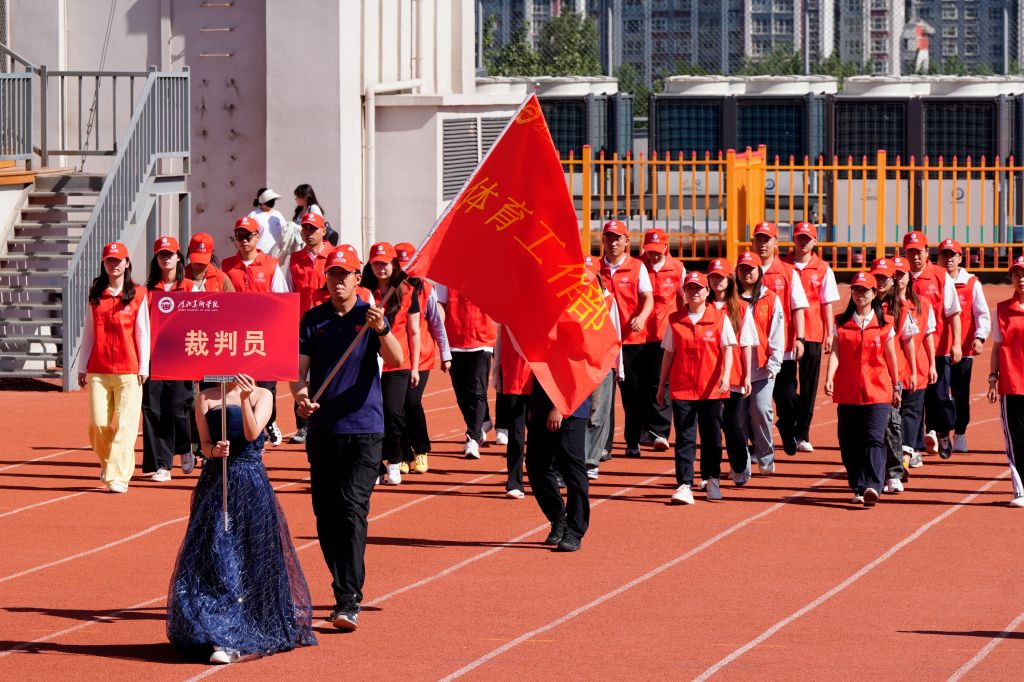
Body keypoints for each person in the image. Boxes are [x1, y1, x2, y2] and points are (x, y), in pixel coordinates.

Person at [167, 374, 317, 664]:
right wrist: (214, 451)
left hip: (249, 483)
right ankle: (219, 635)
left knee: (250, 555)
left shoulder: (263, 395)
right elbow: (204, 445)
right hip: (215, 483)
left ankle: (242, 628)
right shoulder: (205, 397)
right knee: (216, 554)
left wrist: (246, 399)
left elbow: (251, 433)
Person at [291, 246, 403, 630]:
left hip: (365, 429)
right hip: (324, 431)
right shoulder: (313, 319)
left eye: (344, 274)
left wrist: (382, 328)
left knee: (352, 510)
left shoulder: (370, 317)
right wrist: (301, 398)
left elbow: (397, 359)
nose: (337, 280)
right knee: (326, 515)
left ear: (358, 278)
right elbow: (298, 374)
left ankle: (347, 597)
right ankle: (342, 586)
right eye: (332, 273)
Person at [657, 271, 737, 504]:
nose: (694, 292)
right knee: (685, 437)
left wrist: (726, 375)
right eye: (689, 288)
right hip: (682, 387)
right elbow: (669, 353)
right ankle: (684, 484)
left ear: (707, 291)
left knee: (712, 437)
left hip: (711, 388)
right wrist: (661, 385)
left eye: (698, 288)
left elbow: (728, 347)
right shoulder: (675, 320)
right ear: (684, 291)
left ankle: (712, 479)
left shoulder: (720, 317)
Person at [825, 271, 902, 507]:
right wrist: (829, 377)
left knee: (875, 438)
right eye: (856, 290)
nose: (860, 294)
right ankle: (858, 485)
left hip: (877, 390)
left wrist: (896, 385)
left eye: (865, 290)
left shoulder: (885, 324)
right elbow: (836, 352)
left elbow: (891, 357)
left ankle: (872, 485)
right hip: (848, 390)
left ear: (874, 293)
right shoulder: (841, 322)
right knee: (849, 441)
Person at [78, 242, 149, 494]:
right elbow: (89, 333)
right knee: (97, 424)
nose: (114, 265)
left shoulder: (138, 294)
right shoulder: (96, 295)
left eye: (118, 260)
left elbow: (142, 333)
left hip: (129, 370)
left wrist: (143, 366)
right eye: (110, 260)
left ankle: (118, 476)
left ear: (127, 263)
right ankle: (109, 462)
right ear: (104, 263)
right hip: (98, 370)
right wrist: (82, 365)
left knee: (126, 426)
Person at [222, 215, 290, 446]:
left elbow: (282, 301)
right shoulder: (227, 266)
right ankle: (242, 427)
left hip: (264, 336)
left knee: (267, 385)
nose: (244, 240)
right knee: (238, 383)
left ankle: (268, 421)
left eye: (248, 235)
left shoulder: (271, 265)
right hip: (235, 337)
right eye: (239, 235)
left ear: (257, 236)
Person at [362, 242, 420, 485]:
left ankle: (395, 462)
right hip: (369, 363)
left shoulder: (407, 291)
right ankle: (375, 465)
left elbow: (414, 331)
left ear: (394, 264)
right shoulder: (364, 293)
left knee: (393, 412)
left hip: (398, 363)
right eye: (376, 264)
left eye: (385, 263)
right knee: (370, 415)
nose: (381, 268)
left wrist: (415, 367)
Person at [751, 221, 808, 457]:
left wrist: (800, 338)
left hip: (781, 349)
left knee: (787, 398)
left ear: (776, 243)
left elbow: (798, 307)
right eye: (758, 239)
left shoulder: (787, 272)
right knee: (752, 401)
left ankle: (786, 427)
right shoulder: (745, 269)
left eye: (767, 239)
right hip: (752, 349)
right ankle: (757, 445)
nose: (762, 244)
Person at [903, 230, 962, 459]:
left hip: (938, 349)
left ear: (927, 252)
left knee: (939, 397)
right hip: (910, 351)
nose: (915, 257)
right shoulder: (901, 277)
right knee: (914, 399)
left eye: (919, 252)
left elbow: (953, 312)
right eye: (910, 252)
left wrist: (956, 344)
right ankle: (915, 446)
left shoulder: (940, 276)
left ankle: (943, 431)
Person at [782, 221, 840, 452]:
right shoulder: (782, 265)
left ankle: (802, 434)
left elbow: (826, 303)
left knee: (809, 386)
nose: (803, 242)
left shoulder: (823, 268)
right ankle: (790, 419)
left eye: (808, 238)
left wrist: (829, 333)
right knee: (785, 387)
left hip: (813, 332)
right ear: (793, 239)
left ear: (815, 241)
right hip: (785, 333)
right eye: (800, 237)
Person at [142, 236, 196, 482]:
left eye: (169, 254)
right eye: (161, 254)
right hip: (154, 358)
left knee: (177, 408)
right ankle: (163, 464)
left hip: (181, 357)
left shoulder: (190, 287)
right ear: (156, 258)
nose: (165, 258)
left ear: (178, 257)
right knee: (153, 410)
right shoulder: (146, 291)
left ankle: (184, 447)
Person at [599, 220, 654, 458]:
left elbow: (648, 297)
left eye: (617, 238)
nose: (613, 243)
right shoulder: (595, 267)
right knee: (603, 396)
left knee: (633, 395)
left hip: (632, 340)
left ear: (626, 242)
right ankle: (604, 445)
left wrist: (642, 316)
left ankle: (633, 441)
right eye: (609, 238)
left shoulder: (637, 267)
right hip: (603, 342)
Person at [395, 242, 450, 474]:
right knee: (396, 407)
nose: (405, 271)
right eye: (401, 266)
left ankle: (421, 449)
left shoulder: (427, 289)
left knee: (411, 402)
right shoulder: (389, 290)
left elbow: (437, 323)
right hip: (397, 358)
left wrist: (445, 353)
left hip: (422, 357)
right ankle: (402, 453)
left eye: (408, 266)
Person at [936, 238, 991, 454]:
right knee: (937, 394)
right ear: (938, 258)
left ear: (960, 258)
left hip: (963, 350)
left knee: (960, 394)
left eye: (952, 255)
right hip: (937, 349)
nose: (948, 259)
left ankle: (959, 433)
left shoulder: (971, 283)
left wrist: (979, 337)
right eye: (944, 255)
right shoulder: (933, 282)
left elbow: (982, 314)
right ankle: (937, 431)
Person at [734, 250, 785, 477]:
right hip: (736, 369)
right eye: (742, 268)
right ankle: (741, 465)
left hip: (762, 368)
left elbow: (777, 333)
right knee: (738, 419)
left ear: (759, 272)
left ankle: (765, 455)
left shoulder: (771, 299)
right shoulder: (730, 298)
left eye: (751, 269)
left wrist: (774, 363)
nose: (746, 273)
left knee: (761, 409)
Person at [871, 257, 919, 494]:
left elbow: (908, 340)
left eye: (885, 278)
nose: (880, 282)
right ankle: (877, 472)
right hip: (869, 375)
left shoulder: (901, 307)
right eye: (876, 277)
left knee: (891, 425)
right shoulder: (864, 303)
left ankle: (894, 472)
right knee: (873, 427)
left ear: (892, 280)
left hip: (892, 375)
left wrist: (913, 370)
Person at [526, 378, 591, 552]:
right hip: (541, 404)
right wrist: (534, 403)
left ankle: (575, 530)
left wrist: (560, 407)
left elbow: (577, 372)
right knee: (536, 465)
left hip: (570, 408)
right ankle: (558, 517)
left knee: (572, 470)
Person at [287, 212, 333, 444]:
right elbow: (289, 293)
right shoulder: (295, 260)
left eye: (313, 228)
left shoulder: (335, 256)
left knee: (327, 373)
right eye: (305, 228)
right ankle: (303, 426)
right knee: (300, 375)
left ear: (323, 230)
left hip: (330, 326)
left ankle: (328, 420)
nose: (309, 232)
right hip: (303, 328)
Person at [707, 257, 754, 486]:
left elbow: (746, 343)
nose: (717, 281)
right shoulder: (702, 306)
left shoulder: (741, 308)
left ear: (730, 279)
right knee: (711, 425)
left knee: (733, 424)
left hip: (733, 374)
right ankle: (710, 473)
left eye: (721, 276)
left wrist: (747, 375)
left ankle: (740, 464)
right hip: (707, 375)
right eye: (713, 277)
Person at [886, 255, 936, 471]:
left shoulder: (922, 304)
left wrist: (932, 364)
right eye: (894, 274)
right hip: (892, 369)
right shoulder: (883, 306)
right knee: (893, 415)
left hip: (917, 367)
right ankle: (899, 455)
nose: (898, 279)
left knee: (912, 413)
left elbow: (928, 334)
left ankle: (905, 456)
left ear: (909, 277)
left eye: (901, 274)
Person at [435, 283, 496, 458]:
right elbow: (441, 304)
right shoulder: (446, 275)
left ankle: (473, 438)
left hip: (482, 338)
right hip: (455, 339)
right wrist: (439, 333)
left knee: (477, 389)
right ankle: (483, 420)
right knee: (462, 394)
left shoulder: (490, 273)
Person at [639, 228, 684, 450]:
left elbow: (685, 298)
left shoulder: (677, 268)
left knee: (661, 380)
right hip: (639, 332)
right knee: (640, 381)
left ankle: (660, 431)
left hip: (665, 333)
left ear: (666, 247)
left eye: (658, 251)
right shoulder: (638, 266)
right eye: (650, 251)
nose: (654, 256)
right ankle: (641, 429)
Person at [987, 255, 1024, 507]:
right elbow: (996, 348)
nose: (1021, 279)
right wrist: (992, 378)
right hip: (1012, 383)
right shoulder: (1001, 310)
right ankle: (1020, 490)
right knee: (1016, 438)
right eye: (1017, 274)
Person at [493, 325, 533, 498]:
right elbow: (499, 342)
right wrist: (496, 372)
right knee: (516, 434)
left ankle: (545, 474)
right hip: (513, 377)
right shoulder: (506, 316)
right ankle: (515, 482)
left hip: (537, 380)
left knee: (539, 434)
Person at [250, 187, 300, 267]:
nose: (272, 202)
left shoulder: (278, 215)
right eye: (269, 200)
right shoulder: (253, 215)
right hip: (258, 257)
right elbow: (249, 237)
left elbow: (285, 232)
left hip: (275, 256)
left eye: (273, 200)